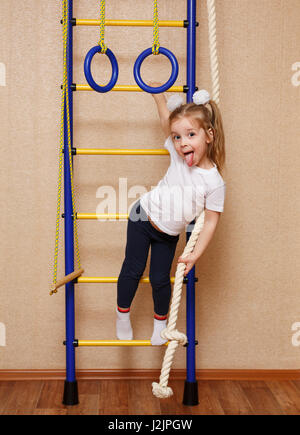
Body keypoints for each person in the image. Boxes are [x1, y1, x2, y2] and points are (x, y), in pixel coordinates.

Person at [116, 87, 226, 345]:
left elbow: (210, 222)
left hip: (167, 234)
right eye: (177, 137)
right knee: (132, 270)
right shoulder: (178, 157)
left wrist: (194, 254)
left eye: (190, 135)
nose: (182, 142)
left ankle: (160, 323)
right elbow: (167, 119)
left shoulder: (215, 183)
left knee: (160, 279)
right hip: (143, 218)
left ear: (209, 135)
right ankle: (122, 314)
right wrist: (157, 95)